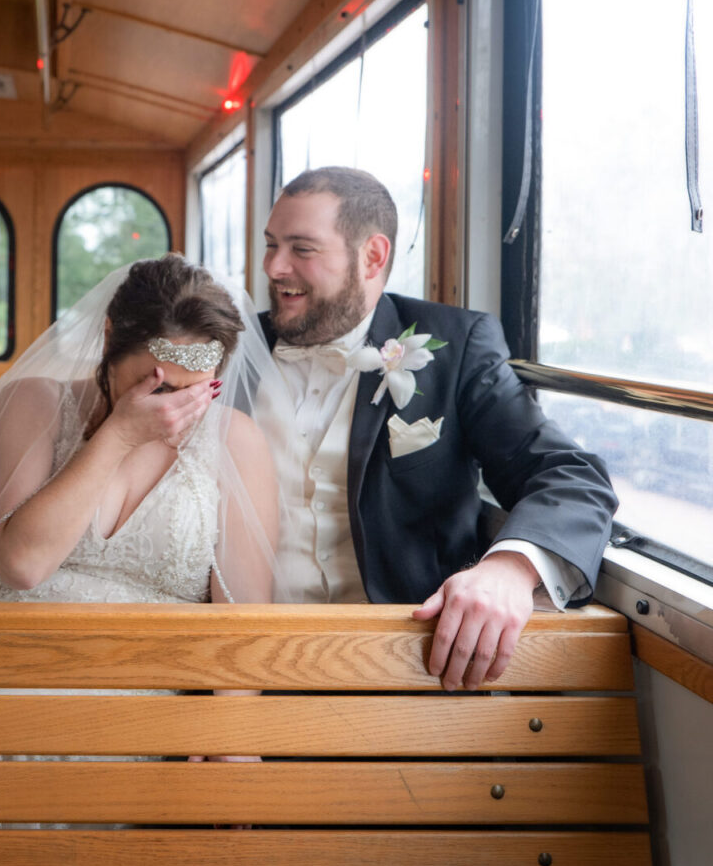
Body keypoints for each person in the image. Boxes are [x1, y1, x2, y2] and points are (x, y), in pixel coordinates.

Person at [262, 166, 617, 690]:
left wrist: (511, 568)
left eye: (302, 249)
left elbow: (570, 475)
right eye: (270, 245)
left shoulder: (456, 344)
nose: (274, 266)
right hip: (242, 657)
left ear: (373, 256)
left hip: (406, 666)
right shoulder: (227, 346)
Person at [0, 253, 295, 608]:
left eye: (194, 391)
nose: (171, 409)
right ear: (109, 338)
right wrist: (118, 436)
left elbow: (243, 622)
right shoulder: (32, 402)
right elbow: (22, 567)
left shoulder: (236, 440)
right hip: (7, 662)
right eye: (156, 387)